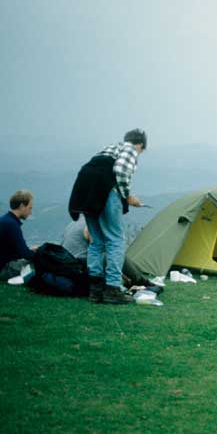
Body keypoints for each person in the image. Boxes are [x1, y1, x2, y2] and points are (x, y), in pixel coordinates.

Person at [68, 129, 147, 304]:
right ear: (140, 145)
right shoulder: (130, 149)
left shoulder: (110, 148)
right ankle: (112, 288)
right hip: (104, 190)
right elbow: (121, 170)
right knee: (116, 239)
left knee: (97, 241)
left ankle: (95, 289)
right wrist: (127, 196)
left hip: (85, 191)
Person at [0, 190, 37, 280]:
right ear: (22, 206)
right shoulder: (11, 224)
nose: (31, 212)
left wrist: (30, 251)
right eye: (30, 208)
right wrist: (40, 253)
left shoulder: (4, 220)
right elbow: (25, 254)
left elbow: (12, 250)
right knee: (41, 266)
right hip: (1, 271)